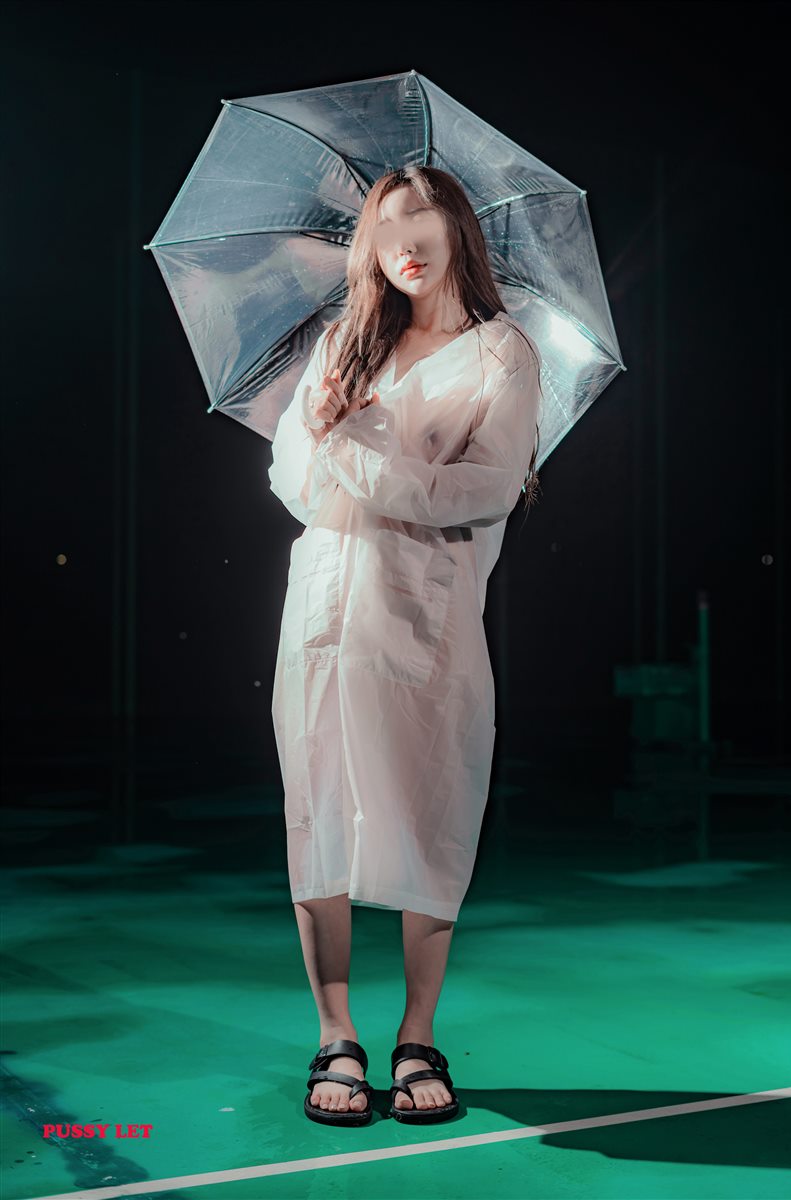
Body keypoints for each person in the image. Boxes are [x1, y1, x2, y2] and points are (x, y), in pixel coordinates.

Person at [268, 166, 542, 1126]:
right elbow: (293, 481)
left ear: (459, 228)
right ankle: (334, 1035)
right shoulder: (345, 342)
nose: (405, 243)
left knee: (433, 804)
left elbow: (485, 490)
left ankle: (417, 1035)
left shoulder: (502, 353)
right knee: (319, 810)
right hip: (323, 610)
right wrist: (322, 439)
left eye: (422, 218)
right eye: (386, 228)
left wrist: (354, 452)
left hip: (425, 615)